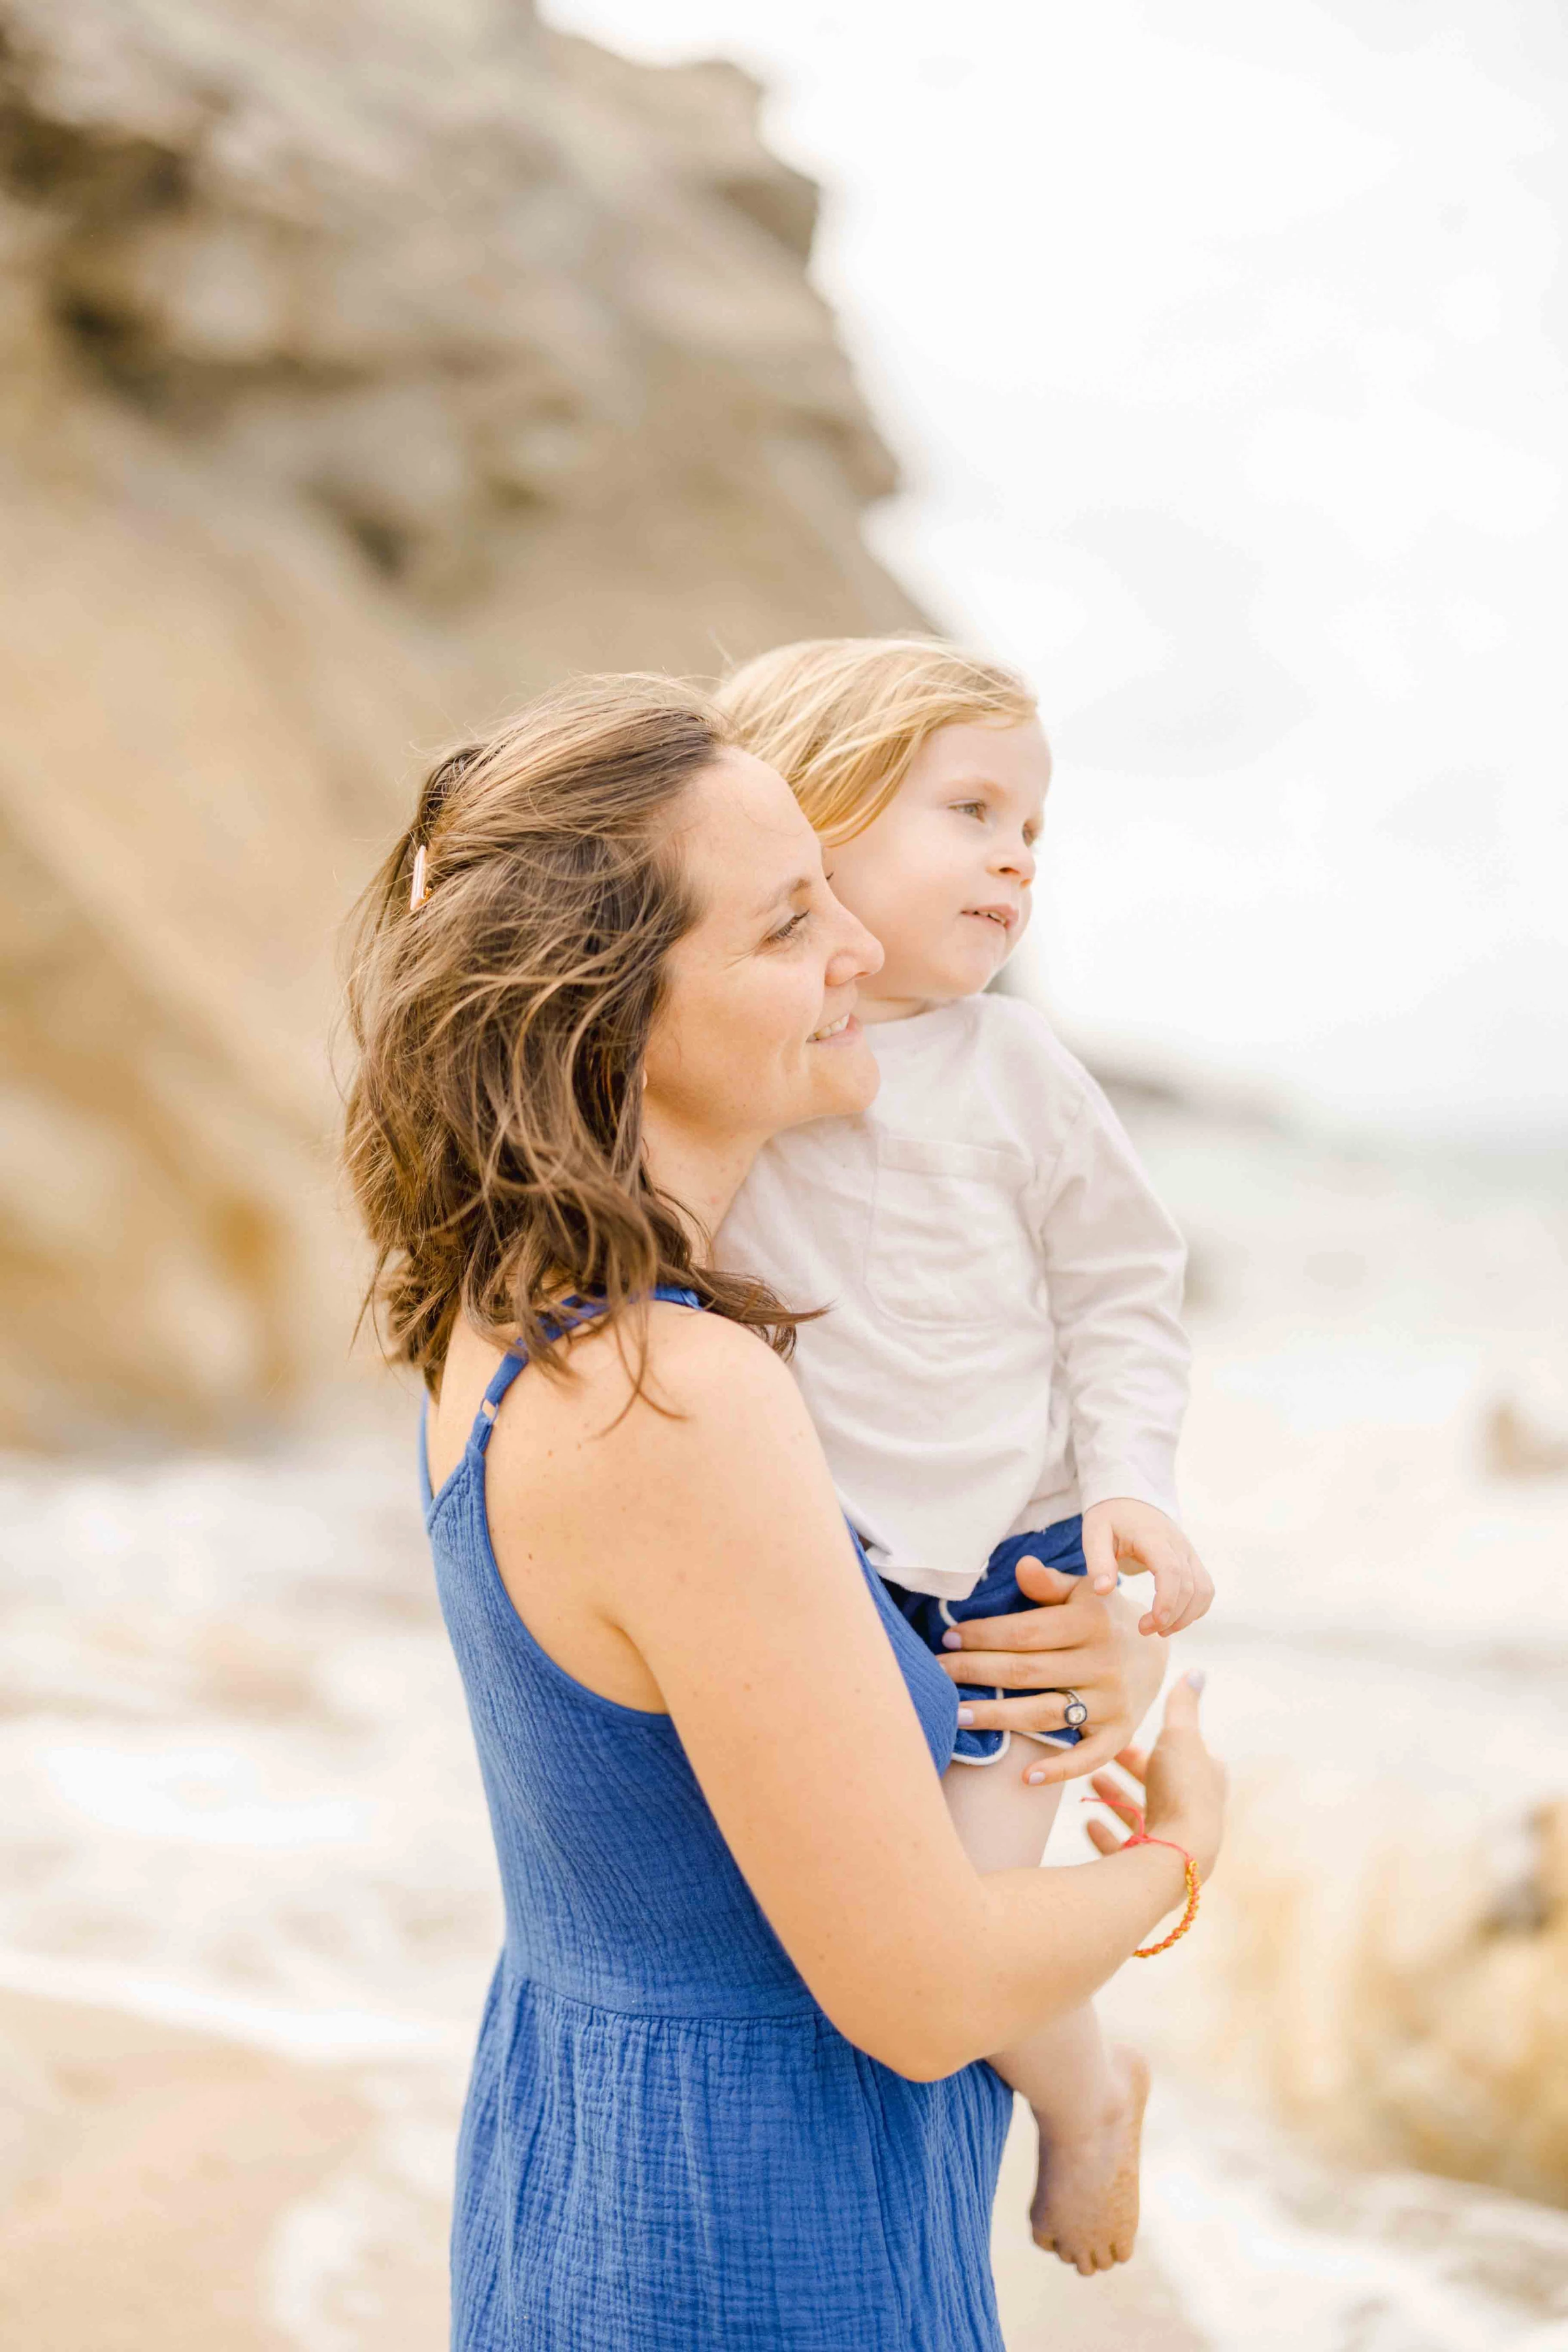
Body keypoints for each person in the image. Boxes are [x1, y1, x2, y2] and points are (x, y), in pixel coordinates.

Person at [342, 672, 1226, 2350]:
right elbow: (929, 1994)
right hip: (753, 2240)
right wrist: (1182, 1848)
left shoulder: (520, 1315)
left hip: (592, 2173)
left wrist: (1066, 1658)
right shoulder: (677, 1397)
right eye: (787, 923)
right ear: (608, 1009)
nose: (859, 952)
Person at [716, 636, 1215, 2273]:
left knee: (965, 1927)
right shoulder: (749, 1045)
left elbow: (1124, 1291)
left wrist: (1131, 1486)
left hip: (1021, 1570)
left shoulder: (1019, 1069)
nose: (1018, 856)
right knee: (871, 1915)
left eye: (1034, 829)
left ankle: (1090, 2099)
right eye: (974, 810)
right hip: (840, 1562)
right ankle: (1081, 2092)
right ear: (815, 814)